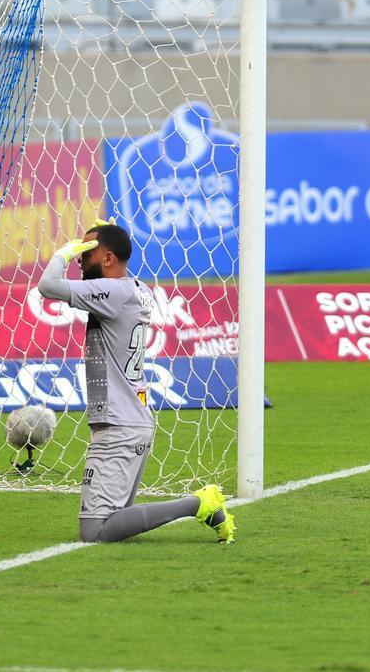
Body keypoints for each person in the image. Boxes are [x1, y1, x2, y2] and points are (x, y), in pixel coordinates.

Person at [36, 219, 235, 544]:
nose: (80, 260)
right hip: (128, 420)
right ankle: (200, 504)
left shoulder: (113, 291)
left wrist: (62, 253)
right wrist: (97, 242)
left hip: (119, 424)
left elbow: (48, 286)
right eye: (79, 252)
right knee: (114, 522)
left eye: (87, 252)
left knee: (96, 529)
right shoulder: (134, 289)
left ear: (109, 258)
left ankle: (199, 504)